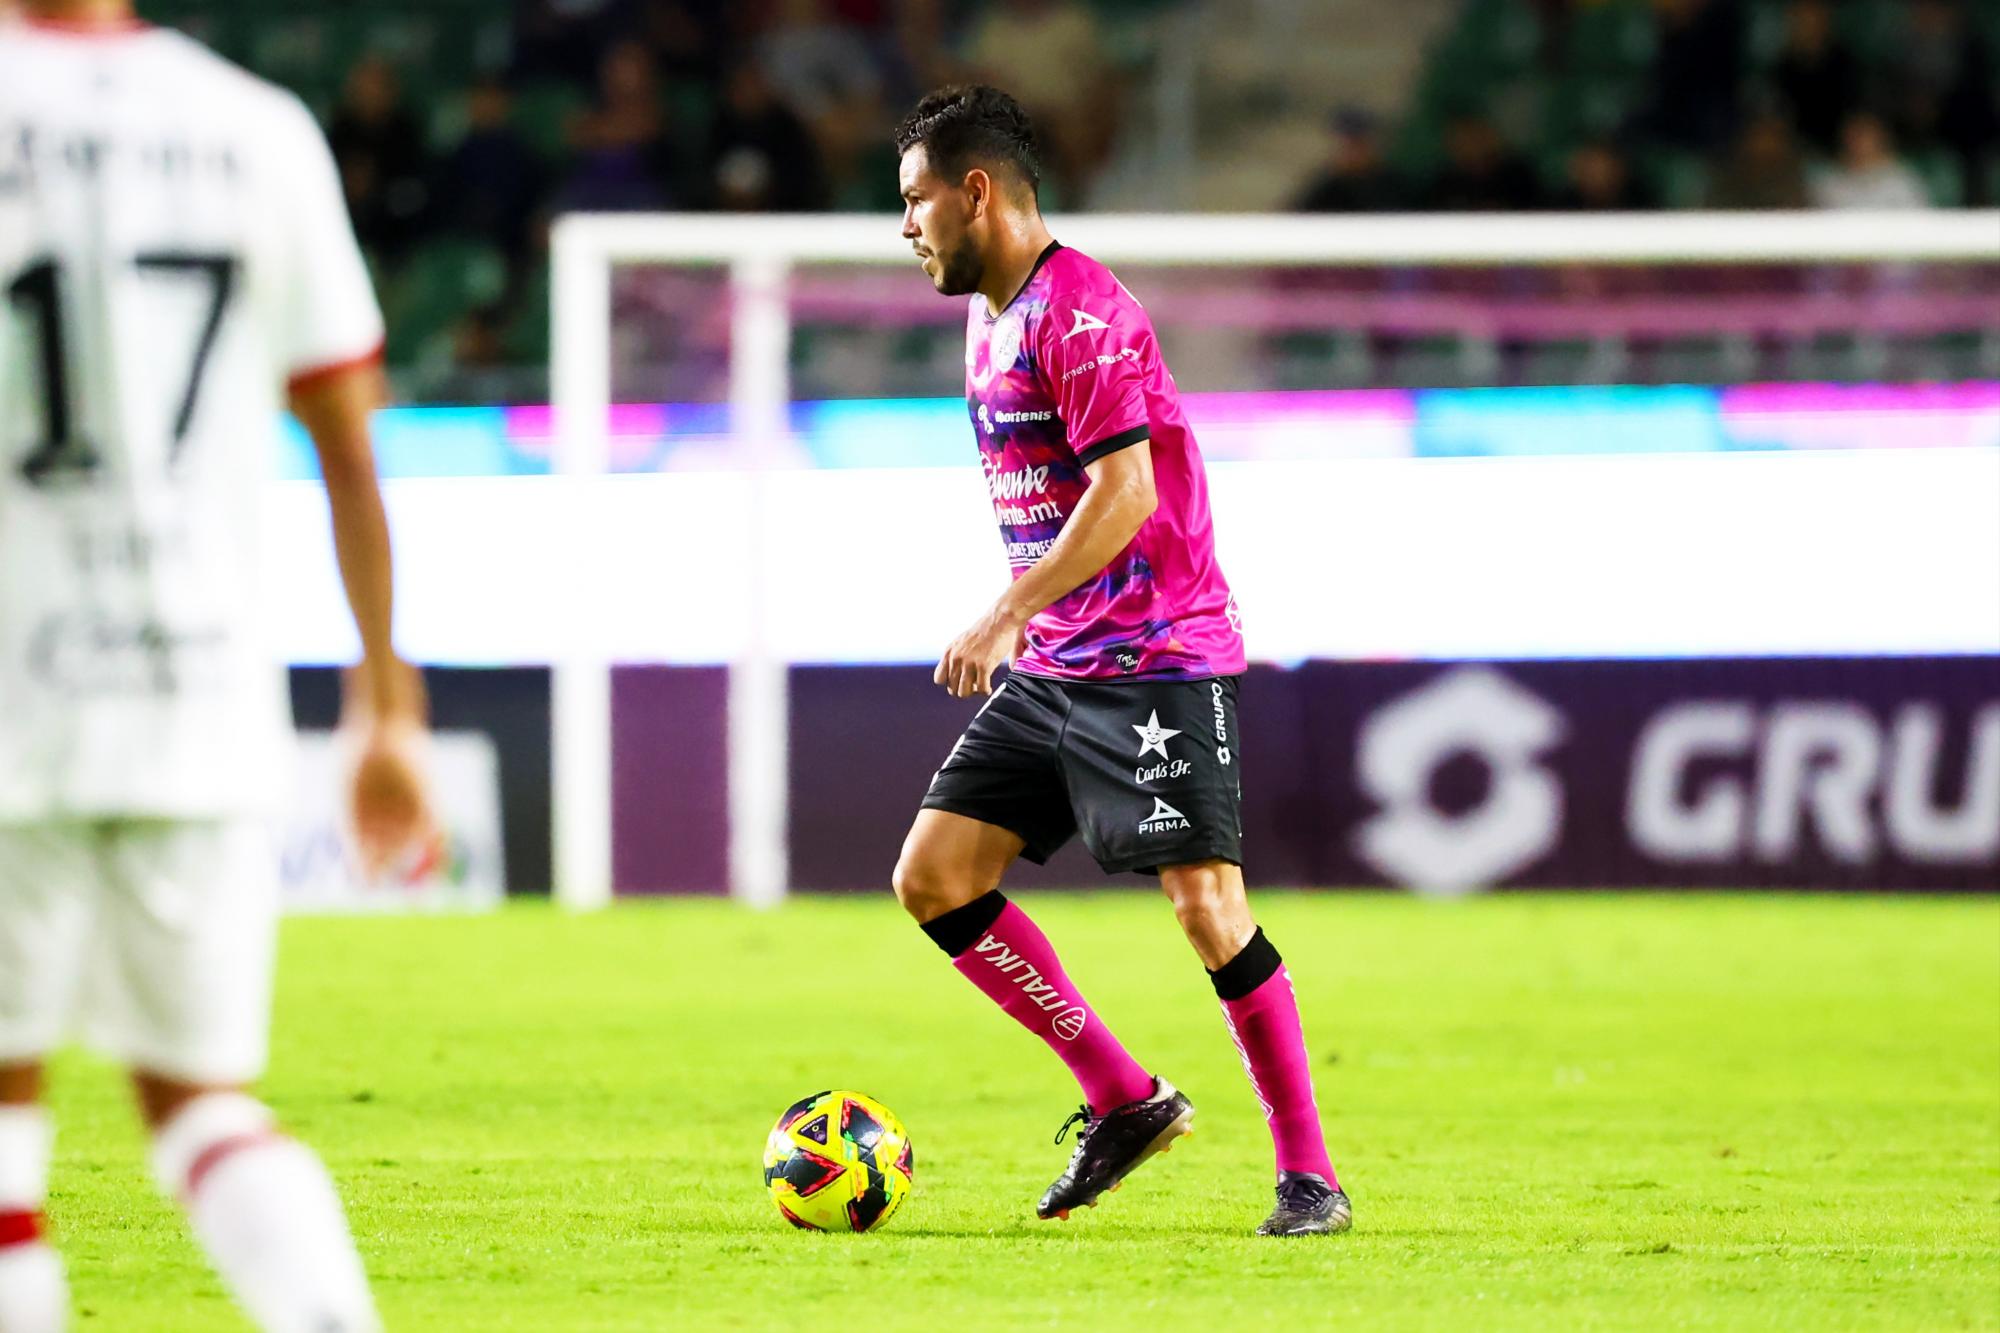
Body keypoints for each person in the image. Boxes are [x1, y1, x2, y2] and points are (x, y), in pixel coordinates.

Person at [0, 2, 434, 1330]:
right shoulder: (257, 131)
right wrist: (383, 702)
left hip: (14, 693)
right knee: (199, 1108)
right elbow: (349, 448)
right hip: (199, 698)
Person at [890, 85, 1349, 1238]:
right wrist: (1030, 624)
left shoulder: (1078, 313)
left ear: (975, 191)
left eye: (914, 200)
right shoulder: (986, 314)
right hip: (1060, 659)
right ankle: (1120, 1097)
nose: (905, 228)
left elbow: (1125, 489)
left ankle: (1309, 1176)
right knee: (934, 877)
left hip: (1155, 654)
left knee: (1205, 907)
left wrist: (1002, 612)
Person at [1811, 111, 1932, 210]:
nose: (1857, 141)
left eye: (1863, 134)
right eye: (1852, 134)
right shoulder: (1828, 182)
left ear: (1880, 138)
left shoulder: (1903, 182)